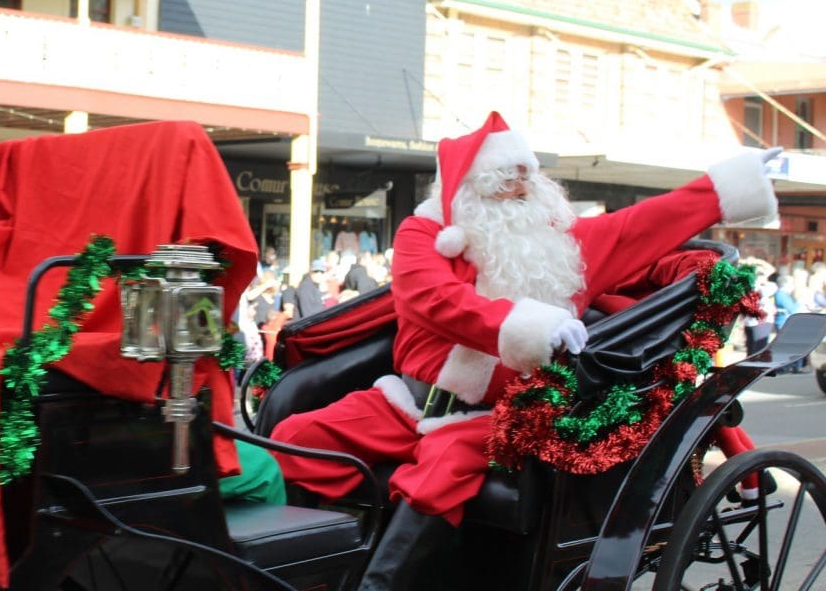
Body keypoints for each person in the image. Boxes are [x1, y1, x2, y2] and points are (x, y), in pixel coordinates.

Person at [269, 112, 781, 590]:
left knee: (441, 467)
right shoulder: (422, 234)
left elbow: (647, 221)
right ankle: (317, 567)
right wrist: (530, 325)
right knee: (296, 437)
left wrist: (722, 186)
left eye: (526, 182)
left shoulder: (569, 244)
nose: (520, 192)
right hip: (406, 402)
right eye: (504, 184)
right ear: (468, 192)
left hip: (507, 413)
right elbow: (434, 300)